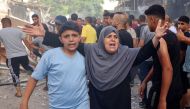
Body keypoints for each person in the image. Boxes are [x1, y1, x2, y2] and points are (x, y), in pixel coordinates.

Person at [22, 15, 167, 109]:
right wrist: (45, 34)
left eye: (115, 37)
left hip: (119, 101)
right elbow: (71, 42)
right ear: (101, 40)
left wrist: (156, 38)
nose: (112, 39)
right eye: (108, 36)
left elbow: (143, 54)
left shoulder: (125, 53)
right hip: (97, 100)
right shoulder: (91, 51)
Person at [20, 21, 89, 109]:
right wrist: (24, 101)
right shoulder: (50, 56)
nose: (71, 39)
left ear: (79, 37)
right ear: (60, 39)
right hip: (58, 106)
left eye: (74, 35)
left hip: (82, 104)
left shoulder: (85, 56)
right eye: (66, 36)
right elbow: (34, 78)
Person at [139, 5, 183, 109]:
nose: (147, 23)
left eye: (147, 20)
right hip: (175, 88)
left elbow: (167, 69)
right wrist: (145, 81)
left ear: (152, 19)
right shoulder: (172, 35)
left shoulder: (161, 39)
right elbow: (159, 64)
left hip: (164, 91)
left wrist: (162, 100)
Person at [0, 17, 33, 97]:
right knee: (27, 67)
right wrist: (31, 51)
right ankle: (35, 77)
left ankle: (19, 92)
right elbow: (26, 42)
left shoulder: (1, 32)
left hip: (12, 57)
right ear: (10, 23)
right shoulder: (18, 30)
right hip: (23, 55)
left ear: (2, 24)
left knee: (15, 73)